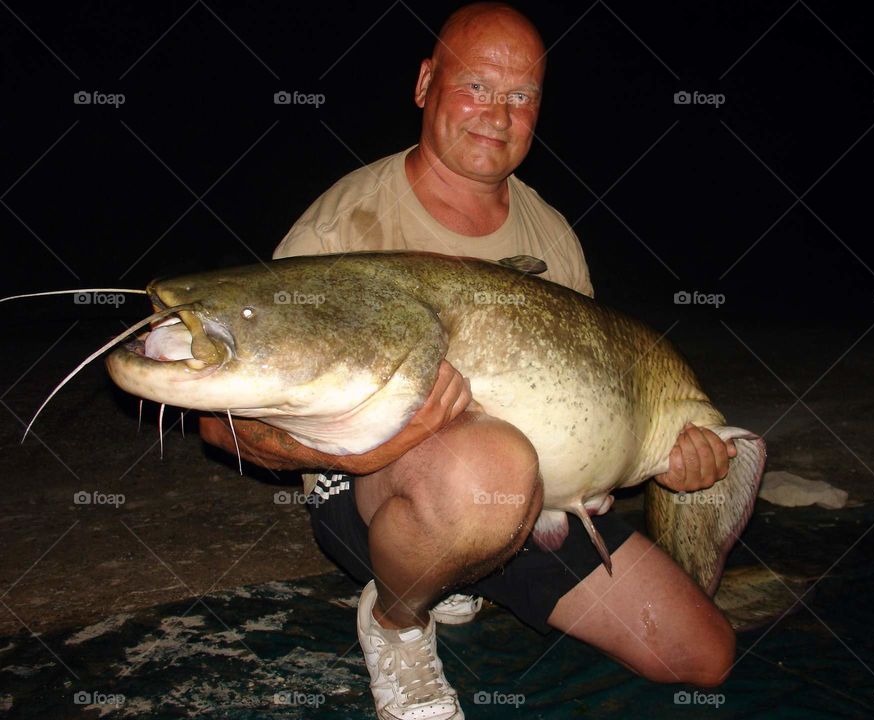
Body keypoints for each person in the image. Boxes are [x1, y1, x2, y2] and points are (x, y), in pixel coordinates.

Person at [200, 4, 739, 719]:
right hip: (374, 494)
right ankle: (398, 619)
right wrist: (377, 450)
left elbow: (598, 388)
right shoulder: (342, 225)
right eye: (477, 86)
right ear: (426, 84)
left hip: (536, 506)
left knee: (702, 657)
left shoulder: (550, 231)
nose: (498, 113)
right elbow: (221, 427)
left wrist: (658, 454)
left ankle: (466, 569)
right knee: (486, 470)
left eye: (521, 96)